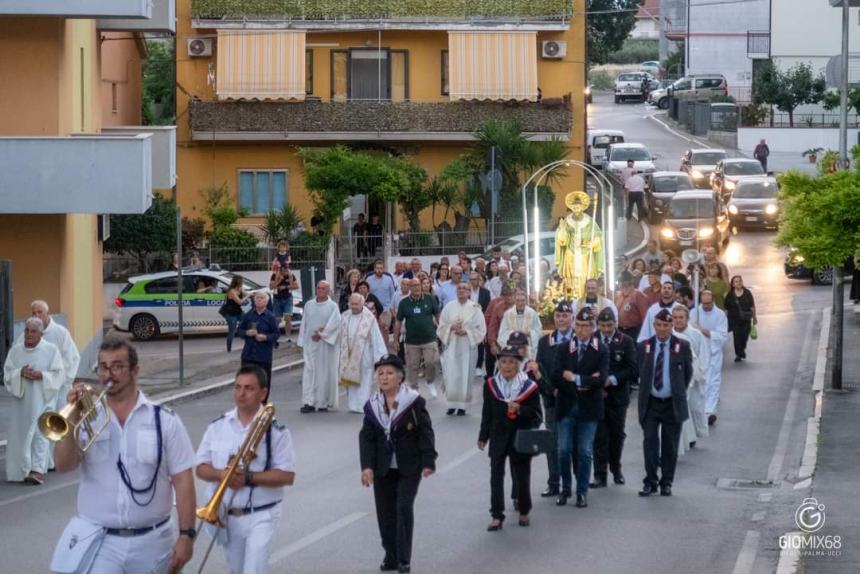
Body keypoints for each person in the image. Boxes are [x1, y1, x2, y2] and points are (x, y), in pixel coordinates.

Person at [53, 338, 196, 573]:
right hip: (100, 541)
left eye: (117, 366)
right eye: (103, 367)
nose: (109, 374)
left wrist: (186, 535)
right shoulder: (88, 417)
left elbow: (183, 481)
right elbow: (63, 464)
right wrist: (71, 420)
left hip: (154, 540)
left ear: (135, 370)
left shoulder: (164, 420)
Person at [195, 365, 296, 574]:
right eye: (237, 387)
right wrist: (221, 474)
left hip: (262, 514)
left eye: (249, 388)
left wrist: (249, 477)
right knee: (236, 570)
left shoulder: (276, 431)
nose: (241, 394)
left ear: (263, 392)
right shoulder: (218, 427)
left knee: (254, 569)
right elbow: (200, 468)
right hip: (229, 515)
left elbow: (287, 476)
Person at [360, 355, 437, 574]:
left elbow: (425, 431)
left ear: (400, 377)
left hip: (409, 466)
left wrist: (428, 460)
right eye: (381, 373)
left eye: (390, 373)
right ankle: (390, 556)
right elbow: (366, 437)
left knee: (403, 508)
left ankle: (404, 558)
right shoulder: (372, 405)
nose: (384, 377)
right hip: (383, 467)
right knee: (385, 513)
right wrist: (367, 467)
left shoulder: (413, 401)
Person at [478, 347, 542, 531]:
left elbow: (537, 415)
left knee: (522, 475)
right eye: (503, 361)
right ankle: (496, 514)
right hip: (498, 435)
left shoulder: (528, 387)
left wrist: (520, 409)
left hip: (520, 436)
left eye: (512, 362)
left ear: (518, 364)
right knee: (496, 476)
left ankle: (524, 510)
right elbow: (487, 413)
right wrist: (483, 436)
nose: (507, 366)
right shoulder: (490, 384)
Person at [551, 308, 609, 508]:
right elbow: (557, 376)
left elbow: (601, 379)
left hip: (589, 408)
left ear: (593, 328)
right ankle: (565, 489)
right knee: (564, 450)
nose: (582, 330)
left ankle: (581, 491)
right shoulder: (564, 348)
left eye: (586, 326)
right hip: (567, 405)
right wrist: (584, 383)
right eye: (579, 326)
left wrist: (576, 378)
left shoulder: (600, 349)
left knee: (585, 451)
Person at [636, 309, 694, 497]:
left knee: (670, 445)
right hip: (651, 403)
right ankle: (650, 480)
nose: (662, 329)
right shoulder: (645, 346)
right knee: (650, 442)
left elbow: (687, 374)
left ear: (672, 326)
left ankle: (666, 481)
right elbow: (640, 371)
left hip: (671, 404)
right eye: (659, 325)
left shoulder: (682, 346)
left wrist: (676, 391)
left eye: (666, 325)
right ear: (654, 325)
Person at [4, 318, 64, 484]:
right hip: (21, 402)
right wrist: (19, 373)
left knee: (40, 434)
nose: (29, 334)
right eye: (27, 330)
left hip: (42, 399)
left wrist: (42, 376)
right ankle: (20, 470)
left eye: (33, 331)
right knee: (20, 435)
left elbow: (59, 374)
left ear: (41, 333)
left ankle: (37, 470)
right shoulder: (15, 351)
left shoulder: (51, 350)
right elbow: (7, 374)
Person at [24, 300, 81, 471]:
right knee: (42, 423)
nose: (36, 315)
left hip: (59, 386)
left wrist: (61, 379)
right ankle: (44, 462)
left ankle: (58, 459)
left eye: (39, 312)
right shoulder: (29, 332)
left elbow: (73, 358)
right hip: (38, 386)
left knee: (57, 423)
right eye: (33, 312)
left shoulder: (60, 333)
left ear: (47, 313)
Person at [591, 308, 638, 488]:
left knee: (617, 434)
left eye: (609, 325)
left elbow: (632, 369)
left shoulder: (625, 341)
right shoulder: (592, 339)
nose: (606, 329)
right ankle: (599, 473)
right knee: (599, 435)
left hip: (617, 395)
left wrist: (614, 379)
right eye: (602, 325)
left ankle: (616, 468)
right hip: (596, 395)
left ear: (615, 323)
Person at [534, 302, 574, 498]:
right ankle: (554, 482)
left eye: (565, 316)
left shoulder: (578, 340)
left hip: (574, 399)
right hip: (551, 399)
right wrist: (550, 390)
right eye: (558, 316)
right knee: (553, 441)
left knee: (572, 443)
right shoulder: (545, 341)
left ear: (572, 318)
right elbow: (540, 369)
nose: (561, 319)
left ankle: (571, 482)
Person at [437, 282, 487, 416]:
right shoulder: (448, 307)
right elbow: (441, 326)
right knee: (451, 374)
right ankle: (451, 404)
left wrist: (466, 332)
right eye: (459, 288)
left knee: (465, 374)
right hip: (452, 346)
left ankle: (463, 406)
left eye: (465, 288)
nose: (461, 290)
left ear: (470, 292)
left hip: (467, 347)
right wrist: (451, 328)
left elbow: (481, 329)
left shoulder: (475, 308)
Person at [340, 293, 389, 413]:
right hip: (348, 353)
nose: (354, 306)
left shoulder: (369, 318)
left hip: (364, 353)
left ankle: (363, 404)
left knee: (365, 380)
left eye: (356, 304)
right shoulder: (345, 316)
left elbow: (376, 338)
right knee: (351, 381)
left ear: (362, 304)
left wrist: (380, 356)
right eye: (352, 304)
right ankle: (353, 404)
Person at [298, 281, 342, 413]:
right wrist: (301, 342)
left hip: (326, 346)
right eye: (318, 288)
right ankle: (308, 402)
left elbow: (336, 324)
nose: (320, 290)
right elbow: (304, 323)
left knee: (324, 374)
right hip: (310, 344)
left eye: (323, 289)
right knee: (309, 373)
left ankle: (323, 402)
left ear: (328, 291)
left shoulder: (333, 307)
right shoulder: (309, 305)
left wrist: (322, 334)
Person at [394, 278, 441, 398]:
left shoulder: (430, 298)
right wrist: (396, 339)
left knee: (431, 362)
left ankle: (430, 382)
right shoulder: (404, 303)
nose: (417, 288)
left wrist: (442, 332)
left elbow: (437, 315)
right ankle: (414, 389)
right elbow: (398, 322)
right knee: (412, 366)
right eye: (413, 286)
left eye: (418, 285)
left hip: (429, 338)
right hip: (412, 341)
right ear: (410, 288)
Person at [671, 306, 710, 449]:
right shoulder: (670, 335)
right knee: (683, 409)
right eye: (675, 318)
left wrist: (700, 373)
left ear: (687, 318)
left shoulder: (696, 335)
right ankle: (688, 438)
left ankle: (696, 433)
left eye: (681, 317)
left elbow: (703, 355)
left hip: (695, 376)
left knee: (695, 408)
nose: (678, 320)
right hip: (679, 378)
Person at [692, 290, 728, 426]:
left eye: (708, 303)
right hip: (699, 352)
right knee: (700, 380)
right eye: (704, 303)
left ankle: (710, 410)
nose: (706, 306)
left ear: (713, 301)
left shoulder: (720, 315)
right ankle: (699, 409)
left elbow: (722, 335)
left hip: (714, 352)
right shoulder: (694, 313)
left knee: (713, 381)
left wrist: (703, 330)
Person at [238, 292, 280, 401]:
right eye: (257, 298)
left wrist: (265, 337)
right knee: (247, 380)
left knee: (263, 382)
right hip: (249, 355)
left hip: (263, 356)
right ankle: (247, 401)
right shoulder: (248, 315)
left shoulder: (270, 316)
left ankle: (262, 403)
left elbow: (276, 334)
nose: (259, 300)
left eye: (261, 298)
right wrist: (247, 332)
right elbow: (239, 330)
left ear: (266, 301)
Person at [498, 290, 542, 360]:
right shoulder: (508, 314)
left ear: (526, 301)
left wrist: (529, 333)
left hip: (528, 349)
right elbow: (502, 333)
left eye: (522, 300)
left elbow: (538, 331)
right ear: (514, 301)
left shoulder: (533, 313)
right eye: (518, 300)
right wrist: (514, 333)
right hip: (512, 349)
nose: (520, 303)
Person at [724, 275, 757, 363]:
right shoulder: (730, 294)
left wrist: (754, 317)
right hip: (735, 319)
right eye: (736, 281)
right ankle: (738, 354)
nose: (739, 283)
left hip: (746, 319)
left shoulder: (747, 293)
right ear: (733, 284)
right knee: (737, 337)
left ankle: (742, 349)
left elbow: (752, 306)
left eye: (740, 281)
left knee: (744, 336)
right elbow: (726, 307)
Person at [614, 271, 649, 340]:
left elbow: (645, 317)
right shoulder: (619, 295)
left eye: (621, 282)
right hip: (620, 330)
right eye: (619, 282)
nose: (619, 284)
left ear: (628, 282)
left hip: (634, 331)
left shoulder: (638, 295)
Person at [366, 259, 398, 333]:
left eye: (381, 268)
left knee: (385, 331)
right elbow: (367, 294)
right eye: (377, 268)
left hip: (386, 310)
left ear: (383, 269)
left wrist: (391, 308)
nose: (379, 270)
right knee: (374, 332)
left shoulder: (389, 279)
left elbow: (393, 295)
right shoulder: (368, 279)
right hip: (372, 310)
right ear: (374, 269)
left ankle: (385, 345)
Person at [269, 263, 297, 343]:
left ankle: (288, 337)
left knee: (288, 318)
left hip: (288, 298)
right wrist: (278, 281)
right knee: (277, 319)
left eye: (286, 270)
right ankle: (275, 336)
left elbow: (296, 286)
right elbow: (271, 287)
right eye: (283, 271)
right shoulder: (274, 275)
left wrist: (285, 287)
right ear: (280, 270)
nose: (285, 272)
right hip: (277, 298)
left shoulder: (291, 275)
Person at [223, 276, 248, 352]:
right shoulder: (232, 291)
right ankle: (229, 349)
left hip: (238, 312)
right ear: (238, 282)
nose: (242, 283)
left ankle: (248, 343)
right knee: (232, 331)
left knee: (248, 323)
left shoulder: (239, 289)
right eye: (241, 282)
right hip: (231, 314)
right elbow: (239, 302)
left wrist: (251, 295)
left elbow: (246, 294)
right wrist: (247, 296)